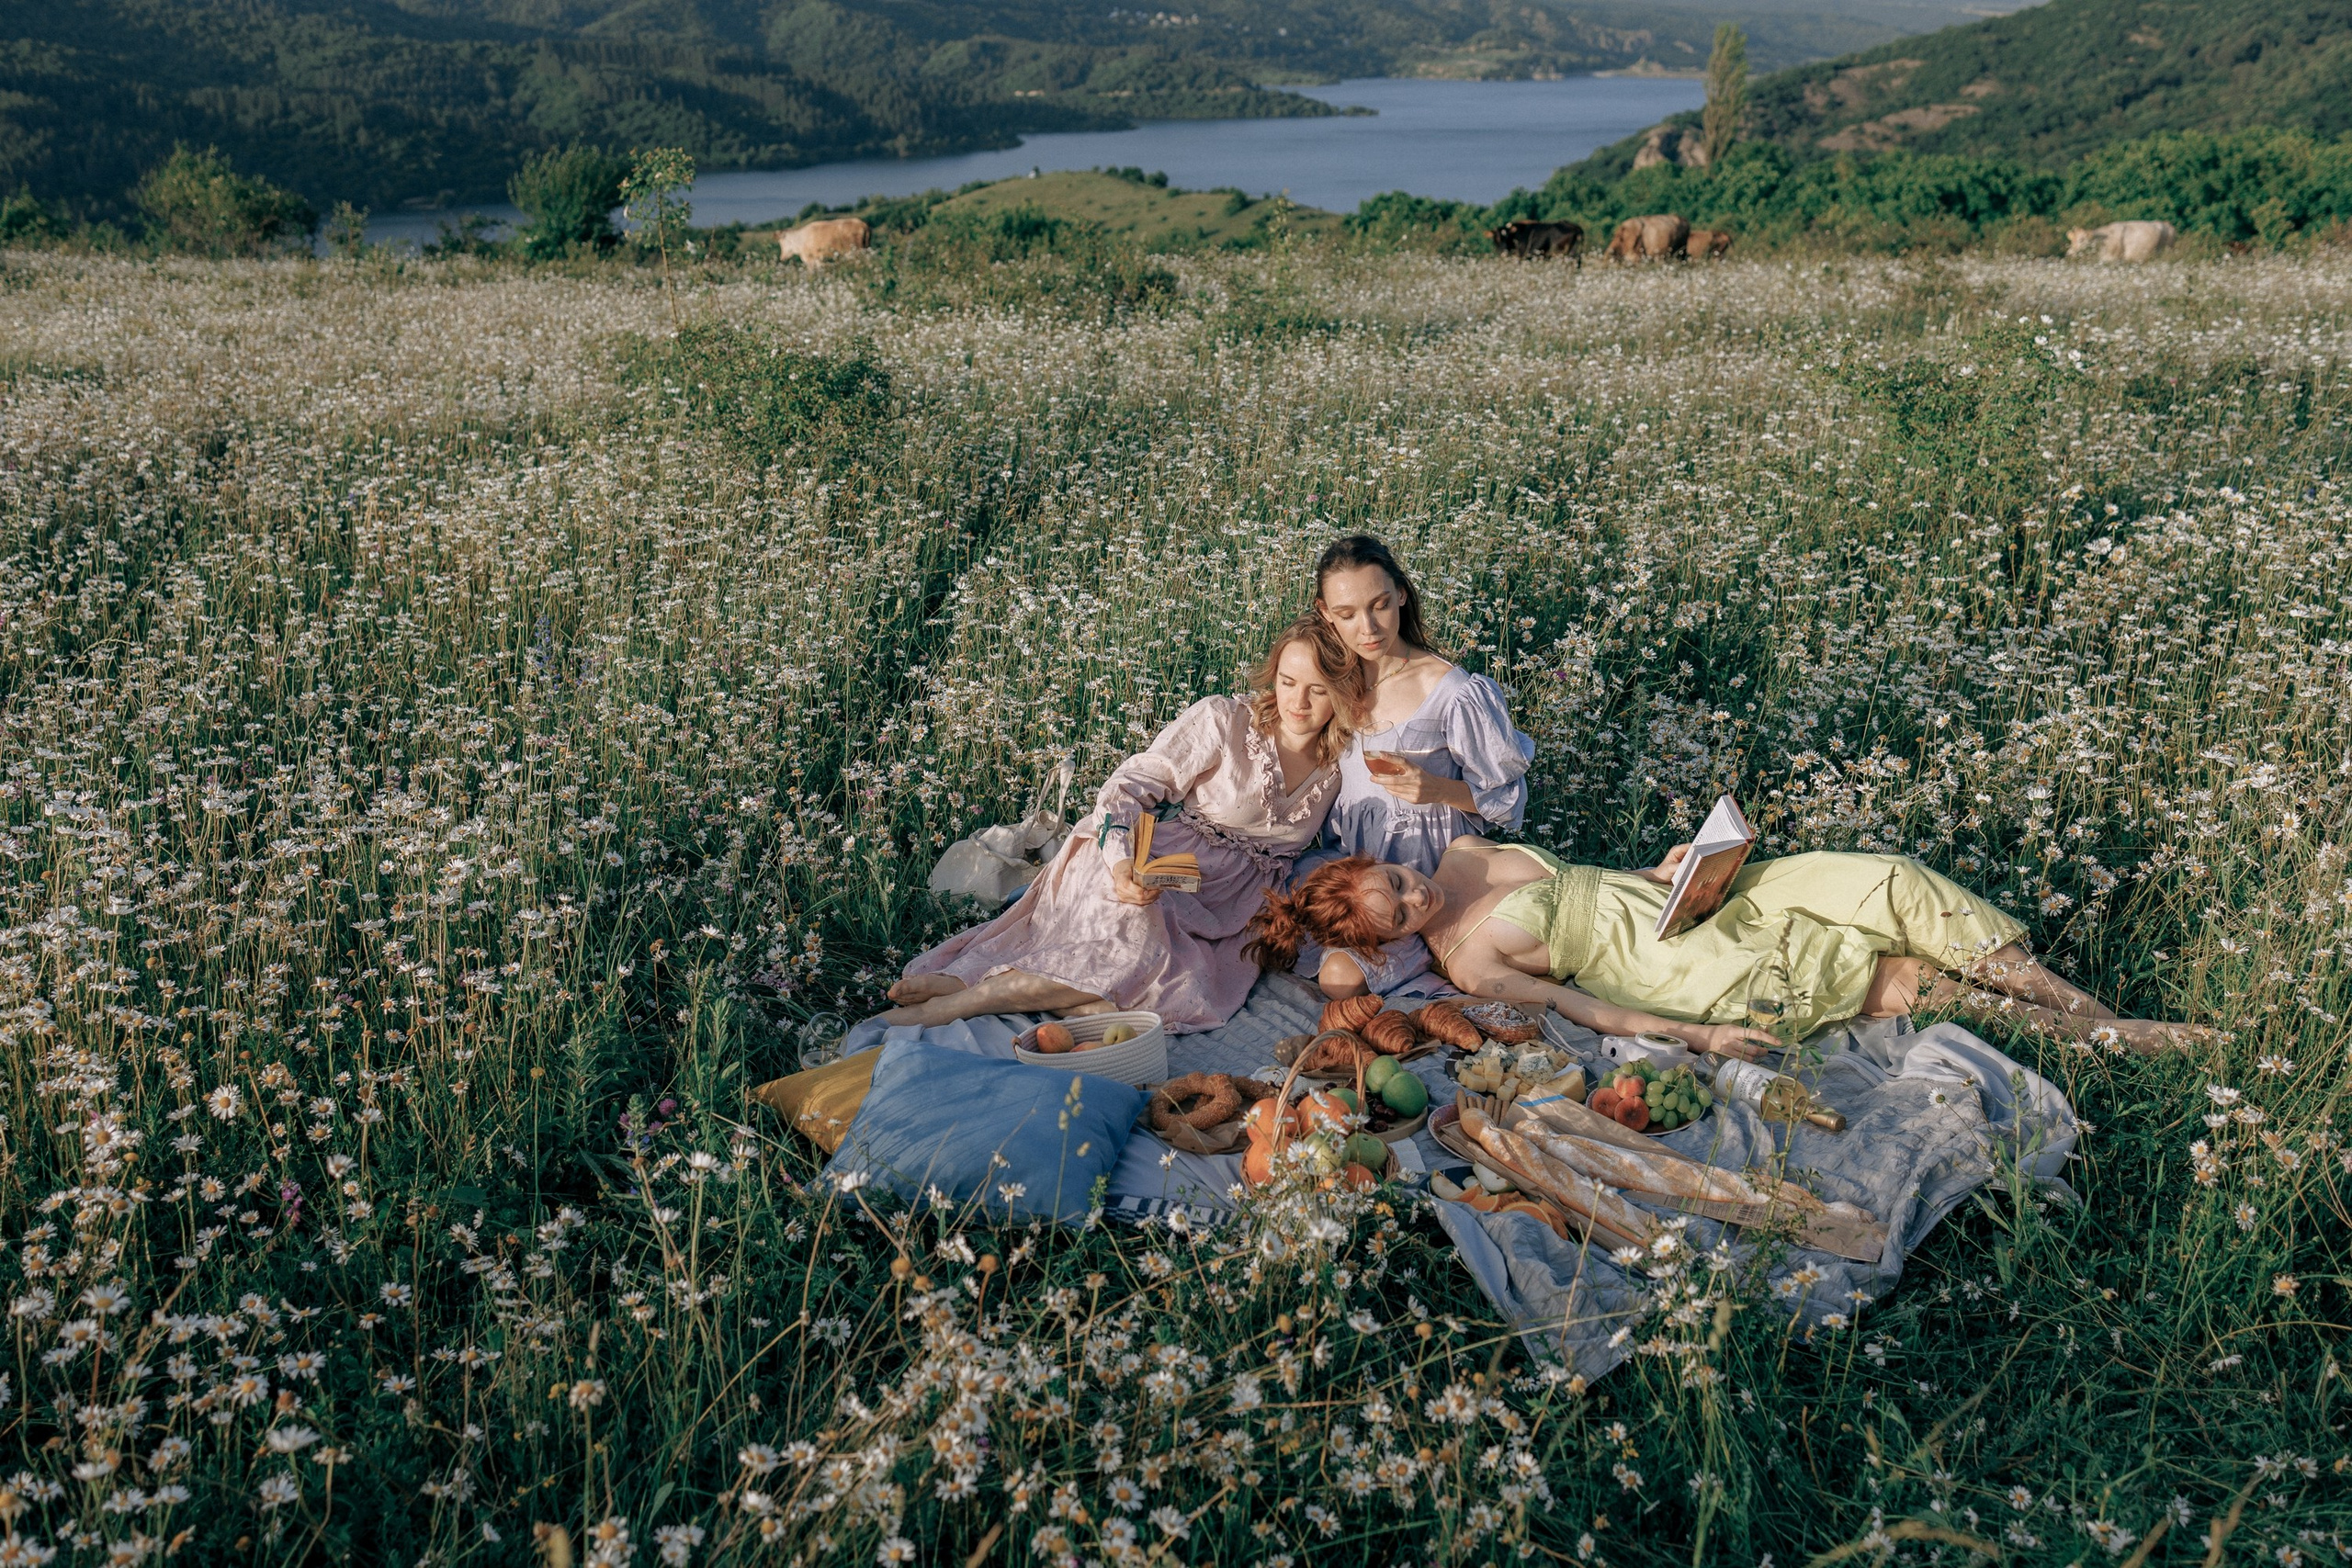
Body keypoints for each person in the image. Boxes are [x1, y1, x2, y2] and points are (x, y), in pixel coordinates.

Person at [1250, 837, 2199, 1055]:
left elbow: (1586, 878)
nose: (1413, 897)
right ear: (1384, 941)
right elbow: (1590, 1009)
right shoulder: (1468, 965)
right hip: (1671, 962)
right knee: (1884, 975)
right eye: (1394, 915)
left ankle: (2091, 1012)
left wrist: (1670, 868)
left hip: (1685, 901)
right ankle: (2116, 1044)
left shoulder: (1461, 848)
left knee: (1888, 881)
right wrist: (1700, 1041)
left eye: (1397, 882)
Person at [882, 616, 1364, 1032]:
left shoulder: (1344, 761)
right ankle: (967, 999)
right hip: (1149, 861)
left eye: (1318, 689)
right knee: (1131, 950)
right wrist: (1120, 865)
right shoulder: (1225, 721)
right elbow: (1128, 788)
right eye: (1286, 681)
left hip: (1231, 907)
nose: (1297, 702)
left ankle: (1003, 990)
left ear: (1341, 693)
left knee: (1181, 994)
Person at [1296, 534, 1533, 997]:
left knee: (1343, 979)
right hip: (1358, 884)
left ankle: (1438, 948)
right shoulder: (1331, 681)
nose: (1367, 627)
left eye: (1380, 605)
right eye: (1346, 615)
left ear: (1402, 594)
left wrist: (1438, 790)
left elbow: (1508, 802)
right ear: (1326, 613)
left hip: (1430, 886)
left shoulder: (1453, 691)